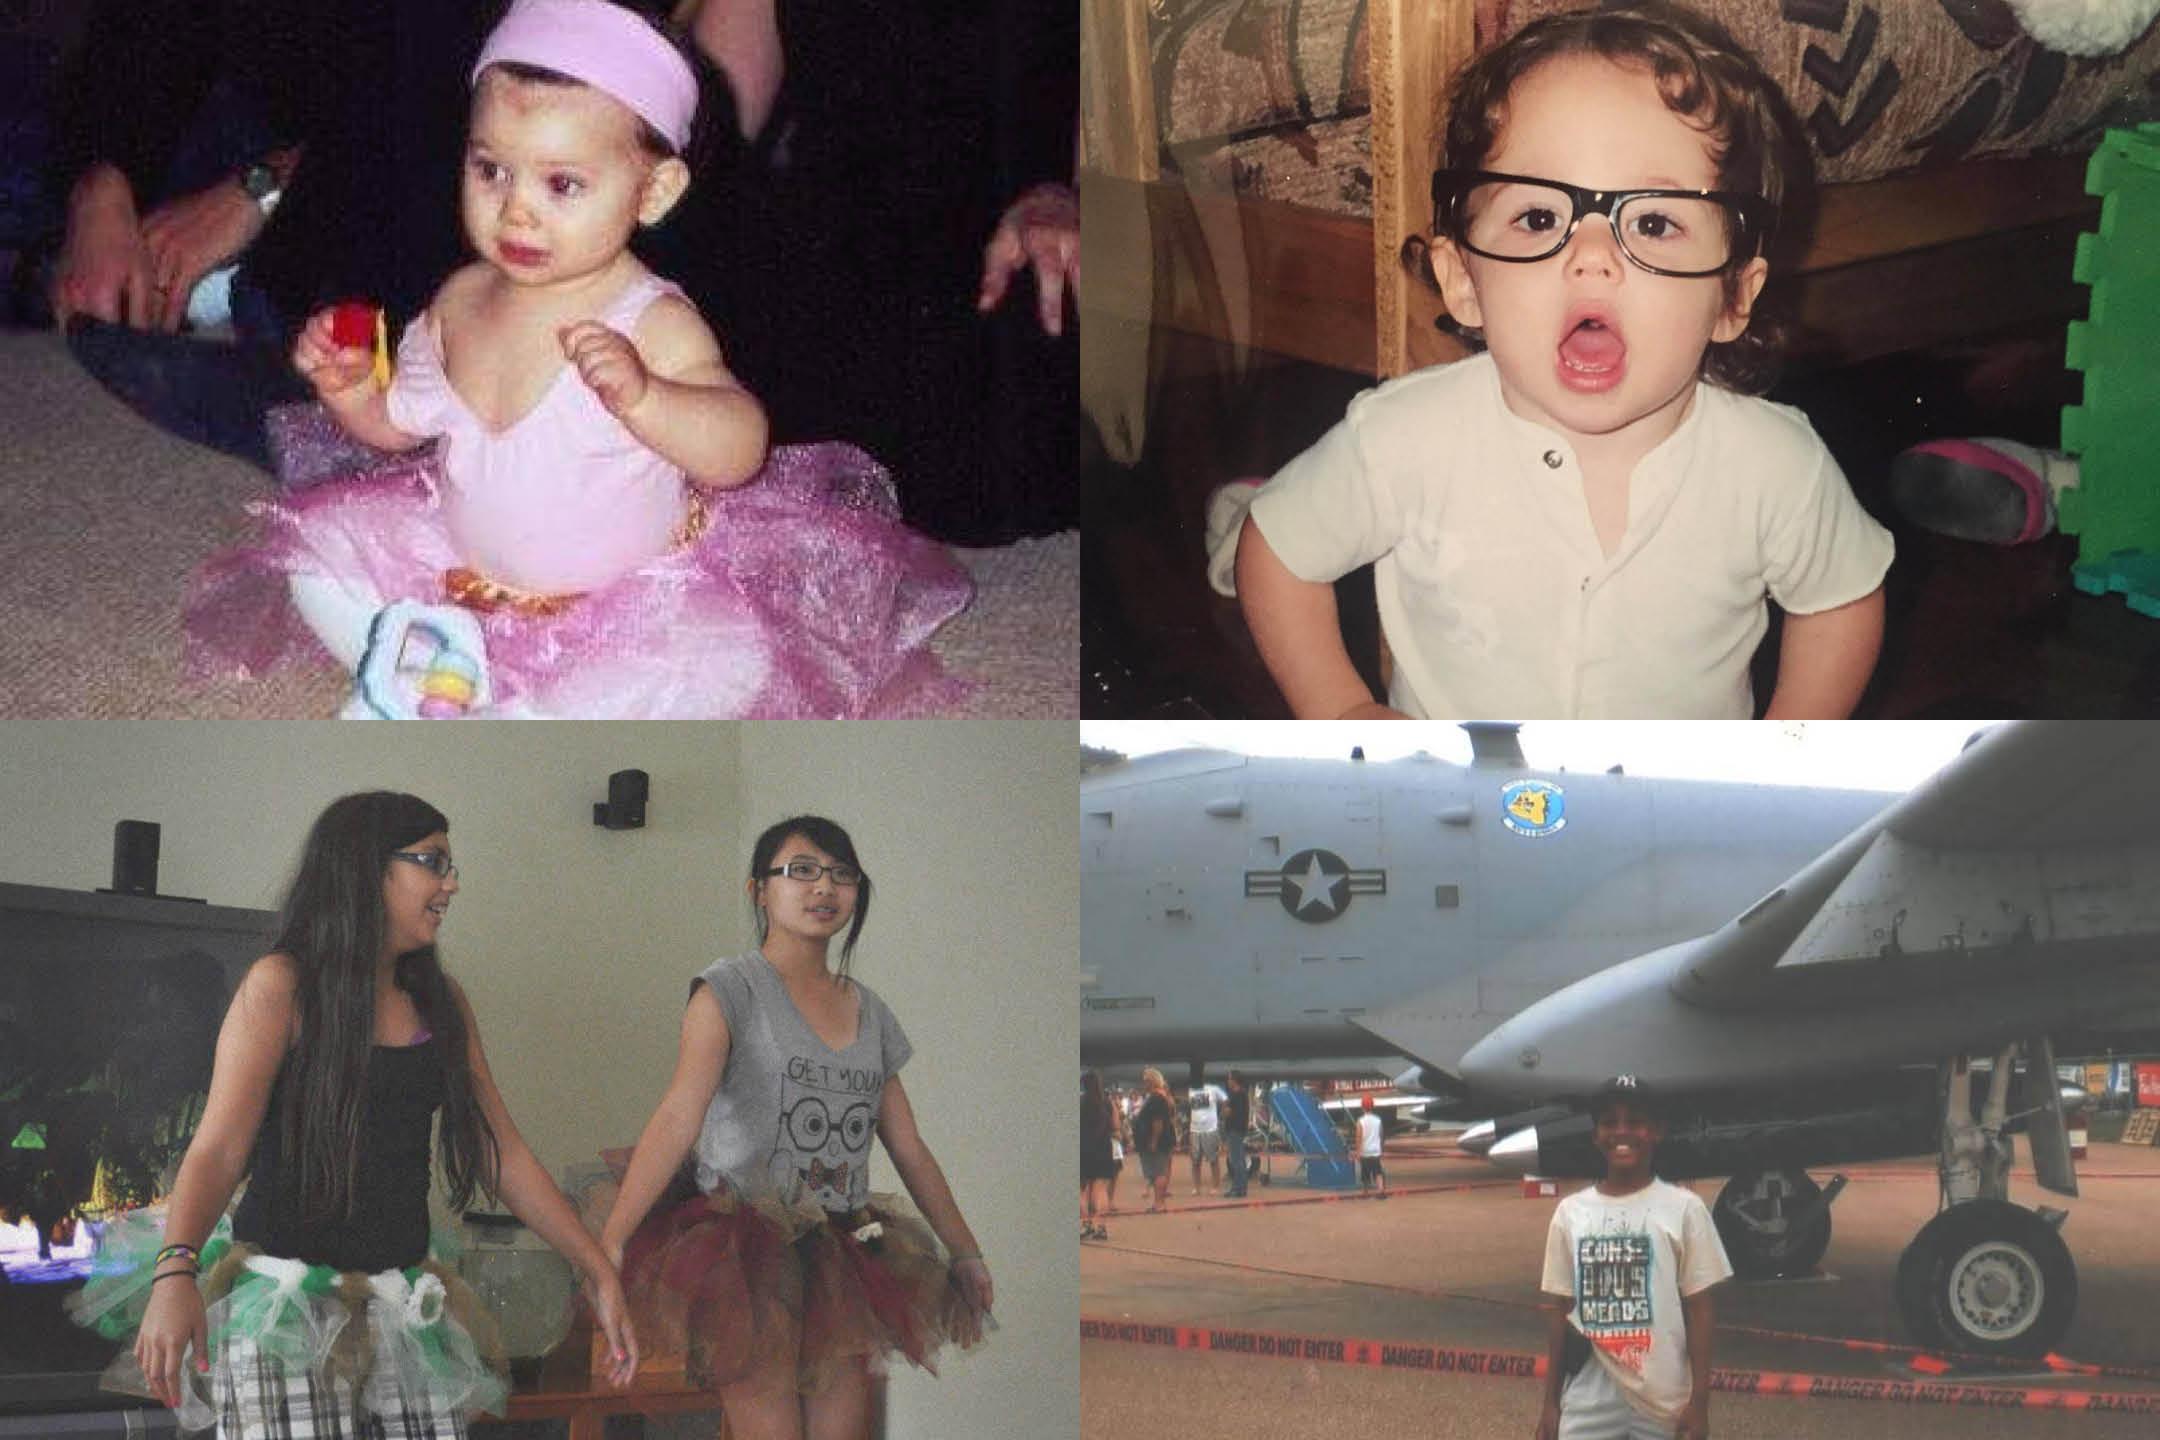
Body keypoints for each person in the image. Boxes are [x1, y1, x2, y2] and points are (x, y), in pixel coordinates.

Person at [181, 0, 973, 719]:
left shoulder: (652, 321)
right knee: (315, 554)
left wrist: (648, 398)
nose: (515, 207)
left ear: (653, 193)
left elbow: (738, 449)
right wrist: (355, 392)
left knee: (722, 657)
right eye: (490, 169)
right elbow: (398, 430)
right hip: (463, 569)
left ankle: (508, 711)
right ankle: (444, 660)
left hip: (627, 600)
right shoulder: (458, 300)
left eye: (562, 184)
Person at [1207, 1, 1893, 720]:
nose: (1590, 257)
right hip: (1466, 802)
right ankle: (1283, 495)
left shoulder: (1776, 467)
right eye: (1538, 218)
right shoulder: (1402, 440)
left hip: (1661, 811)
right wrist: (1342, 712)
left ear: (1732, 298)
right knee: (1289, 516)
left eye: (1655, 222)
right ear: (1465, 282)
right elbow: (1278, 555)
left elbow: (1841, 599)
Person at [65, 791, 638, 1435]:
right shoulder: (281, 986)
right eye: (433, 862)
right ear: (366, 869)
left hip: (402, 1308)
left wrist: (595, 1267)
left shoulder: (440, 1002)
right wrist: (176, 1274)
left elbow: (495, 1147)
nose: (453, 883)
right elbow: (219, 1149)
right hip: (284, 1312)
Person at [597, 816, 991, 1440]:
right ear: (760, 890)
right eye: (801, 871)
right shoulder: (729, 990)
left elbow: (909, 1146)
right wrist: (613, 1238)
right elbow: (678, 1115)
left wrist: (964, 1249)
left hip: (845, 1252)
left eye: (842, 875)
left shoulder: (872, 1012)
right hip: (744, 1253)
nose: (823, 888)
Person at [1537, 1076, 1730, 1440]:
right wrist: (1550, 1404)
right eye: (1609, 1122)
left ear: (1655, 1131)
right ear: (1596, 1135)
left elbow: (1700, 1308)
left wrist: (1699, 1404)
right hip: (1588, 1398)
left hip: (1663, 1399)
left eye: (1636, 1121)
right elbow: (1561, 1310)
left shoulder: (1684, 1209)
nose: (1621, 1132)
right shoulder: (1570, 1213)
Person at [1134, 1068, 1177, 1214]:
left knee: (1158, 1172)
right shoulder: (1160, 1097)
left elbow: (1157, 1123)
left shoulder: (1156, 1098)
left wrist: (1153, 1141)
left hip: (1157, 1142)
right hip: (1161, 1140)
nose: (1144, 1083)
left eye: (1146, 1080)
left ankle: (1159, 1204)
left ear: (1152, 1081)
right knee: (1159, 1172)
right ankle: (1159, 1203)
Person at [1081, 1070, 1117, 1241]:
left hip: (1083, 1149)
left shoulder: (1080, 1103)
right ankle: (1101, 1227)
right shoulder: (1107, 1103)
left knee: (1082, 1190)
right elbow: (1116, 1125)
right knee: (1100, 1189)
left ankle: (1086, 1225)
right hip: (1103, 1148)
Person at [1187, 1081, 1224, 1196]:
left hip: (1210, 1129)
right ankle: (1197, 1187)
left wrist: (1219, 1116)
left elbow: (1225, 1101)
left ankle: (1215, 1186)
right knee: (1195, 1161)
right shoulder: (1191, 1090)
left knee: (1213, 1159)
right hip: (1194, 1129)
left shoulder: (1214, 1088)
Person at [1223, 1070, 1252, 1199]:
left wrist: (1225, 1108)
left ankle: (1237, 1188)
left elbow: (1229, 1113)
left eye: (1229, 1079)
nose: (1228, 1081)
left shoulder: (1236, 1095)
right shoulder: (1242, 1094)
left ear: (1234, 1080)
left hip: (1234, 1130)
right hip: (1238, 1130)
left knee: (1236, 1160)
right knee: (1239, 1159)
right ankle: (1241, 1188)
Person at [1356, 1095, 1387, 1194]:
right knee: (1378, 1171)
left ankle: (1365, 1191)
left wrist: (1358, 1152)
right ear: (1372, 1106)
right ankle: (1381, 1189)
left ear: (1362, 1107)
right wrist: (1381, 1149)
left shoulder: (1360, 1121)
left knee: (1365, 1172)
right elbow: (1381, 1136)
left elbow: (1358, 1137)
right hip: (1375, 1151)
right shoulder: (1378, 1121)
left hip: (1365, 1151)